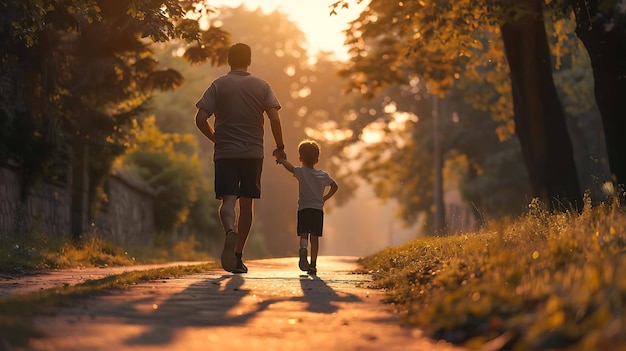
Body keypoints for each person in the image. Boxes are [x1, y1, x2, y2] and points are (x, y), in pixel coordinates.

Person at [195, 43, 287, 274]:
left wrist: (216, 139)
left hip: (225, 152)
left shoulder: (218, 85)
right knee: (247, 204)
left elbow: (200, 118)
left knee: (227, 201)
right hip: (252, 153)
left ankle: (229, 231)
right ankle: (237, 255)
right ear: (249, 60)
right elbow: (275, 119)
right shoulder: (262, 85)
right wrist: (280, 146)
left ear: (228, 60)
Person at [274, 140, 338, 275]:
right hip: (317, 210)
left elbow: (289, 166)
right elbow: (335, 186)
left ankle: (303, 248)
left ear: (300, 158)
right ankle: (313, 265)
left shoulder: (301, 172)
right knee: (315, 238)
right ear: (317, 160)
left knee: (304, 234)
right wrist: (325, 198)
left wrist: (280, 158)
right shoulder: (323, 175)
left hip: (303, 209)